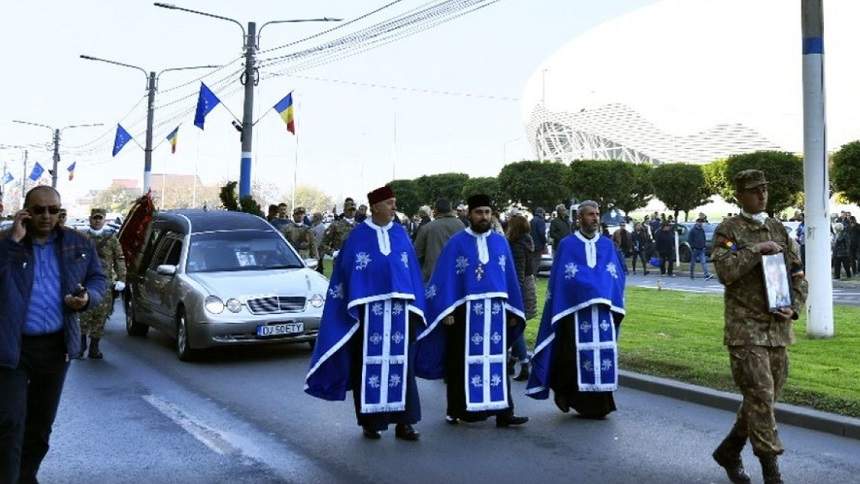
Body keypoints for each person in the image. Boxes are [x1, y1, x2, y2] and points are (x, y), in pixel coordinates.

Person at [0, 186, 107, 483]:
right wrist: (13, 241)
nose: (46, 216)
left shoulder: (78, 243)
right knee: (9, 422)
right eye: (38, 210)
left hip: (56, 347)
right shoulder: (7, 242)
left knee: (41, 425)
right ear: (25, 212)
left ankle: (26, 476)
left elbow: (98, 279)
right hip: (12, 347)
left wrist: (87, 299)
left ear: (60, 212)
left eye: (53, 210)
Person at [305, 186, 425, 441]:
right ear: (376, 207)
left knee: (403, 368)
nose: (394, 207)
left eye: (395, 202)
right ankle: (371, 422)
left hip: (400, 314)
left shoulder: (402, 234)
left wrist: (417, 308)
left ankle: (405, 423)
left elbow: (412, 271)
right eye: (390, 203)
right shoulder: (358, 236)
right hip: (368, 316)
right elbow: (346, 272)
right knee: (366, 367)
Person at [710, 170, 807, 484]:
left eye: (764, 189)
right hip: (745, 330)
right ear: (739, 196)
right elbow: (725, 270)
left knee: (762, 400)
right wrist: (755, 249)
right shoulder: (729, 230)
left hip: (777, 330)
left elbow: (797, 273)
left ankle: (729, 450)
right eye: (754, 190)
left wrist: (795, 307)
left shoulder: (778, 228)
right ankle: (771, 471)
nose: (762, 195)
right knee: (762, 398)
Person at [416, 194, 529, 428]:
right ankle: (458, 410)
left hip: (496, 313)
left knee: (498, 361)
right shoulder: (457, 242)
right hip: (464, 313)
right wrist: (445, 310)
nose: (484, 217)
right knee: (460, 361)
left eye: (487, 212)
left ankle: (504, 412)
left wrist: (512, 311)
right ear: (469, 214)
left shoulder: (500, 242)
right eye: (479, 212)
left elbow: (508, 279)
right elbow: (444, 278)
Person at [526, 200, 626, 420]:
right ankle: (572, 398)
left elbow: (616, 276)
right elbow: (562, 279)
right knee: (572, 356)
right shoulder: (568, 245)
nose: (595, 218)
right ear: (579, 218)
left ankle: (601, 403)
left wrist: (603, 292)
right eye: (590, 214)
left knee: (603, 354)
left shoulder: (607, 245)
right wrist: (586, 288)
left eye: (597, 214)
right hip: (575, 312)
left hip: (602, 312)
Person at [78, 208, 127, 359]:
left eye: (100, 218)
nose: (97, 221)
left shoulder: (111, 238)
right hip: (85, 282)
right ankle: (81, 345)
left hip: (104, 284)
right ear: (90, 219)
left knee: (101, 315)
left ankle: (94, 347)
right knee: (84, 314)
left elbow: (119, 258)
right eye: (95, 218)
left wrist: (121, 279)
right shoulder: (82, 237)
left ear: (105, 220)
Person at [505, 214, 537, 381]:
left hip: (520, 289)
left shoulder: (516, 246)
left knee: (515, 325)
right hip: (528, 285)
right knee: (517, 326)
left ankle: (524, 364)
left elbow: (517, 272)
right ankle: (511, 361)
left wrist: (513, 296)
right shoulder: (527, 241)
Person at [413, 198, 464, 282]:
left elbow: (416, 253)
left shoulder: (427, 228)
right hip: (456, 275)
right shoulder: (461, 225)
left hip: (433, 276)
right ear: (450, 209)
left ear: (436, 210)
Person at [530, 207, 547, 275]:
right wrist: (544, 242)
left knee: (532, 261)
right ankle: (534, 276)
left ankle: (532, 276)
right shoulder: (541, 221)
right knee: (536, 262)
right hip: (538, 245)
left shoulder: (532, 220)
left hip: (531, 244)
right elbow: (542, 233)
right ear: (542, 213)